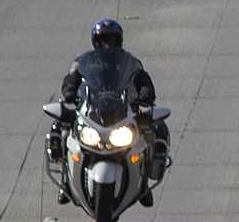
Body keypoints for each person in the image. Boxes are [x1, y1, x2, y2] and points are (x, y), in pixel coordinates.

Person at [50, 19, 168, 206]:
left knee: (157, 127)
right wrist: (70, 92)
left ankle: (144, 183)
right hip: (91, 109)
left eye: (112, 40)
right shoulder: (82, 61)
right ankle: (65, 182)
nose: (108, 44)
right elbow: (70, 80)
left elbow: (143, 81)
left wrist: (145, 94)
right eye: (103, 40)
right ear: (95, 42)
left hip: (123, 110)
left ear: (119, 40)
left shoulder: (130, 62)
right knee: (60, 124)